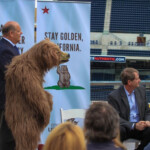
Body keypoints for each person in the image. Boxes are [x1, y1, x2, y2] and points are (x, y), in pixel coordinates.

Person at [107, 67, 150, 150]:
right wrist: (134, 125)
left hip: (141, 126)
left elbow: (147, 111)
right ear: (129, 82)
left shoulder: (142, 90)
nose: (140, 80)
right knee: (117, 131)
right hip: (125, 127)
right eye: (137, 79)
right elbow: (115, 118)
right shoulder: (114, 96)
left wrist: (147, 121)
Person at [0, 21, 22, 150]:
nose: (21, 33)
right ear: (11, 33)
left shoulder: (11, 47)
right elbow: (11, 74)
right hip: (7, 100)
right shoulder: (4, 49)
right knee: (7, 137)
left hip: (12, 101)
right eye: (19, 31)